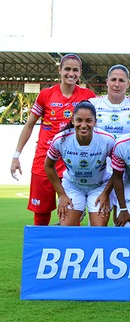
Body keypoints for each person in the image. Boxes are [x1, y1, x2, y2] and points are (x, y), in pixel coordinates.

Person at [11, 54, 96, 225]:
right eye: (67, 69)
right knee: (41, 213)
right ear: (60, 70)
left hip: (72, 163)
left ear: (80, 72)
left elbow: (108, 110)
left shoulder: (88, 95)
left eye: (75, 70)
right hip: (45, 161)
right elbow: (29, 125)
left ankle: (68, 249)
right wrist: (16, 155)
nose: (71, 73)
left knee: (70, 216)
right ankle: (40, 248)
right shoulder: (46, 94)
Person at [44, 101, 115, 226]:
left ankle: (84, 210)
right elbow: (48, 166)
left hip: (99, 186)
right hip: (73, 186)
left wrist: (106, 193)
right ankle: (78, 209)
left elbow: (119, 169)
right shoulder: (61, 140)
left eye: (88, 120)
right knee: (67, 228)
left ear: (95, 122)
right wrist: (61, 195)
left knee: (98, 229)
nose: (83, 125)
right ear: (73, 121)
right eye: (79, 120)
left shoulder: (107, 140)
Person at [89, 64, 130, 137]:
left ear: (128, 84)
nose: (117, 84)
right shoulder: (93, 103)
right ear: (107, 81)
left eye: (121, 80)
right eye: (113, 80)